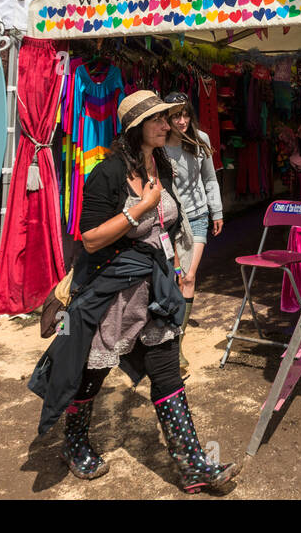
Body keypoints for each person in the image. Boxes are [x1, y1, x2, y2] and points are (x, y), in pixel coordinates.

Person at [28, 90, 239, 493]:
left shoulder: (161, 164)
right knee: (92, 373)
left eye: (166, 118)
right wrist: (138, 209)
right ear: (136, 128)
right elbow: (89, 239)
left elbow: (167, 225)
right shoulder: (107, 173)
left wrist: (177, 265)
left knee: (166, 371)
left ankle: (193, 466)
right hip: (113, 293)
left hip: (154, 288)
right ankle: (73, 444)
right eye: (158, 119)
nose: (167, 124)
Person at [162, 92, 223, 377]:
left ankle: (178, 345)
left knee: (188, 277)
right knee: (171, 279)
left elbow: (209, 178)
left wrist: (217, 211)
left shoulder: (201, 140)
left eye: (186, 114)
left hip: (198, 216)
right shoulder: (159, 144)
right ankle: (166, 335)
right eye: (176, 115)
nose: (182, 120)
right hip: (169, 222)